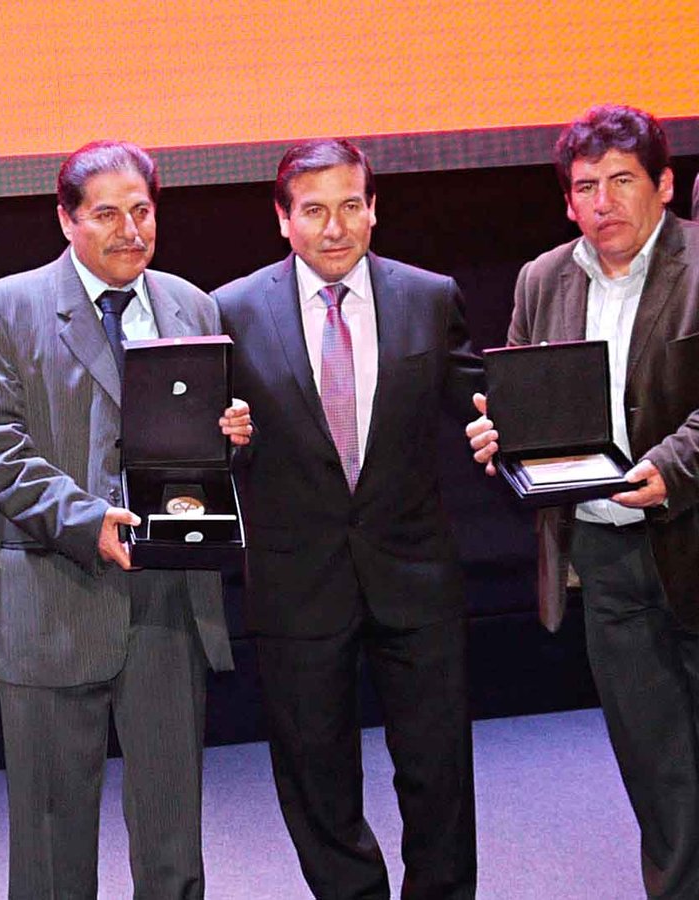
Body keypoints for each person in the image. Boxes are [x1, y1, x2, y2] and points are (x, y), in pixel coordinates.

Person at [0, 140, 250, 899]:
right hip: (53, 593)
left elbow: (195, 446)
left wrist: (230, 436)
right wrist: (87, 522)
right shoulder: (5, 308)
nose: (130, 230)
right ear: (67, 220)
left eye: (142, 211)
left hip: (168, 597)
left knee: (172, 838)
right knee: (51, 845)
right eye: (107, 214)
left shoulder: (193, 305)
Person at [213, 138, 483, 900]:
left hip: (416, 573)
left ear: (373, 210)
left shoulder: (430, 296)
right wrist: (225, 440)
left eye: (350, 206)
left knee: (438, 771)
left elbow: (481, 404)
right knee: (316, 777)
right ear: (282, 219)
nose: (334, 228)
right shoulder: (230, 309)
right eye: (313, 210)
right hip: (297, 582)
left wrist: (509, 432)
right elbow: (212, 447)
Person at [468, 105, 699, 898]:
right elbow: (525, 399)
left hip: (693, 536)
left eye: (623, 180)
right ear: (568, 202)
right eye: (586, 186)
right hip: (603, 557)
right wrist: (502, 436)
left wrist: (673, 466)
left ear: (663, 185)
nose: (604, 202)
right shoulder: (541, 279)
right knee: (657, 772)